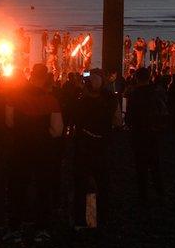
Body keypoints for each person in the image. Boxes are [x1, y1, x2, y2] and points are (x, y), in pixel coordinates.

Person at [4, 64, 63, 243]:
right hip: (43, 150)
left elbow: (9, 123)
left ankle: (15, 227)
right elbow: (57, 130)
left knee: (18, 188)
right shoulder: (51, 100)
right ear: (45, 78)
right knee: (43, 188)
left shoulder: (14, 97)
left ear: (30, 75)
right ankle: (42, 229)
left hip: (20, 149)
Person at [71, 71, 118, 228]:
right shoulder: (110, 101)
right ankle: (101, 219)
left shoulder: (80, 103)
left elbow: (74, 121)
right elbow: (117, 121)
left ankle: (81, 220)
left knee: (81, 185)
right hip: (102, 146)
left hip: (83, 147)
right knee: (103, 184)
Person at [125, 67, 165, 206]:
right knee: (155, 164)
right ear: (149, 78)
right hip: (152, 133)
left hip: (138, 134)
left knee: (140, 166)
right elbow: (162, 111)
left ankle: (143, 195)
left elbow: (129, 117)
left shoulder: (134, 95)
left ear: (136, 78)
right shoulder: (155, 93)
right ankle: (160, 191)